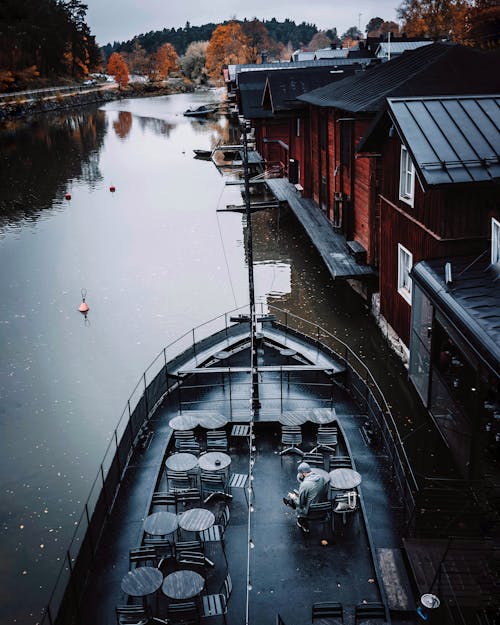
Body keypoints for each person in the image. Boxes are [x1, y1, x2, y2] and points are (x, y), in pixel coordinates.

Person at [283, 462, 329, 532]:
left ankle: (301, 521)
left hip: (310, 512)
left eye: (300, 473)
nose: (299, 475)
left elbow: (300, 503)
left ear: (304, 473)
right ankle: (291, 503)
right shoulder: (322, 478)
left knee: (296, 501)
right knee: (303, 497)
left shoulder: (304, 485)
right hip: (323, 509)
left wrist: (293, 497)